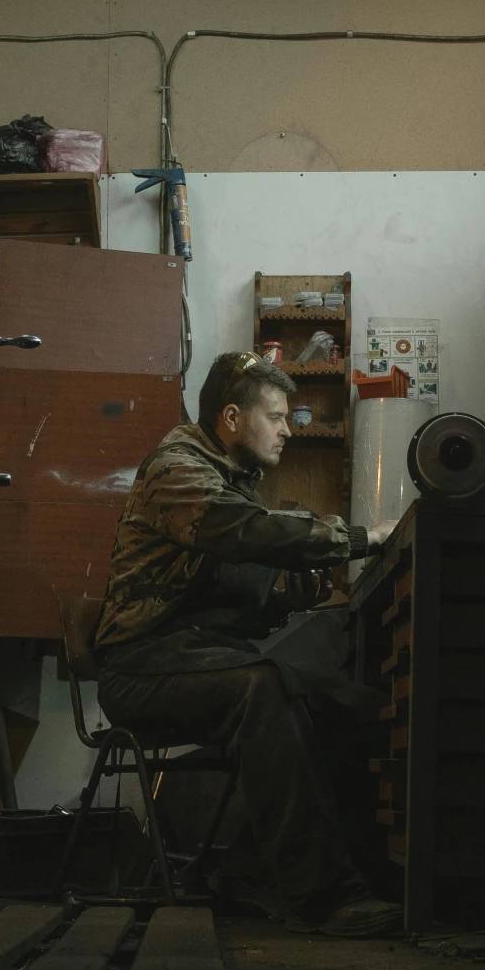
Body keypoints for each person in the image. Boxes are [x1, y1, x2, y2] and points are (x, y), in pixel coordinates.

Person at [93, 351, 401, 937]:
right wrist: (359, 538)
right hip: (141, 665)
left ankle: (251, 869)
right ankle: (326, 897)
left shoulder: (234, 481)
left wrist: (290, 592)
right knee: (264, 688)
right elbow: (240, 532)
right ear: (232, 417)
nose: (289, 429)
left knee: (354, 706)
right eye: (278, 416)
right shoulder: (177, 467)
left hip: (202, 657)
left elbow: (229, 585)